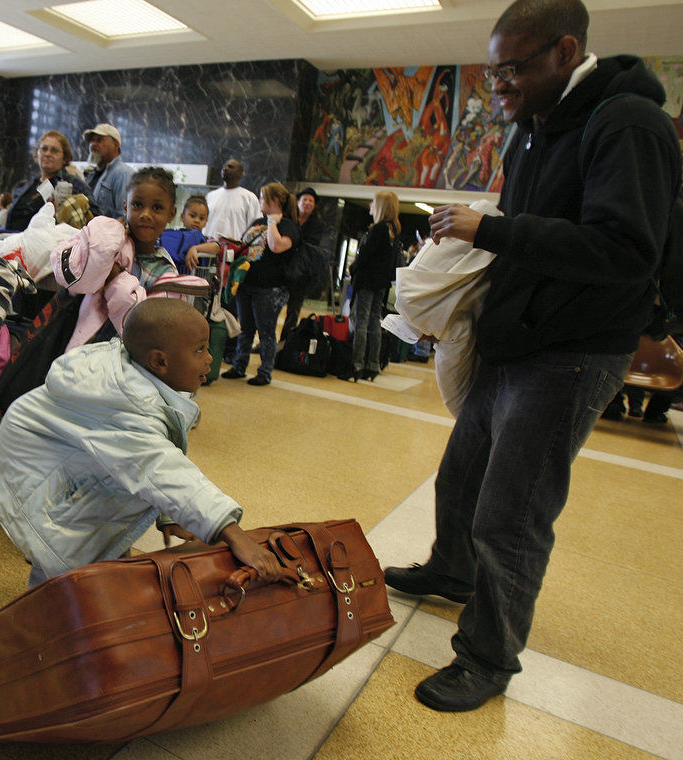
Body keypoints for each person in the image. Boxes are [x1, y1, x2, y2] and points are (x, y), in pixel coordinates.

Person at [384, 0, 681, 712]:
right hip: (516, 341)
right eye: (494, 73)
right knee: (461, 479)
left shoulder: (626, 123)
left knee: (512, 513)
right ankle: (453, 572)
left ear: (563, 50)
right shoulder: (534, 128)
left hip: (574, 352)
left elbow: (624, 250)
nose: (500, 88)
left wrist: (491, 231)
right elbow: (527, 233)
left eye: (511, 69)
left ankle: (488, 656)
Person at [0, 297, 282, 587]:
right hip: (37, 472)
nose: (210, 358)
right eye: (200, 350)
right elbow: (162, 468)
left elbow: (159, 453)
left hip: (60, 463)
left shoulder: (140, 376)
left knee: (99, 546)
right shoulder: (125, 407)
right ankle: (40, 621)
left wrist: (167, 515)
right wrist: (234, 535)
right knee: (65, 559)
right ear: (159, 361)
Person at [54, 166, 180, 351]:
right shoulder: (110, 245)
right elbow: (74, 282)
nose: (146, 214)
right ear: (125, 206)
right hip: (84, 349)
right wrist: (105, 240)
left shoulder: (165, 271)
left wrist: (114, 276)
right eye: (137, 205)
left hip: (129, 359)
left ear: (171, 214)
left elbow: (144, 324)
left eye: (157, 208)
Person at [221, 183, 300, 386]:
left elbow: (276, 246)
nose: (260, 201)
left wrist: (273, 222)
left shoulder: (289, 225)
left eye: (264, 197)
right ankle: (239, 366)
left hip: (270, 289)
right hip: (246, 283)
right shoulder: (257, 221)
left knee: (266, 332)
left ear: (275, 200)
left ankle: (265, 372)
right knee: (245, 329)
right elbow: (244, 244)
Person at [346, 190, 400, 382]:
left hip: (367, 281)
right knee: (375, 322)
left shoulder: (378, 230)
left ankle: (357, 364)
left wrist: (353, 268)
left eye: (373, 203)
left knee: (361, 322)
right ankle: (373, 364)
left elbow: (365, 256)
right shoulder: (393, 230)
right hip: (381, 284)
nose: (370, 205)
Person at [6, 130, 97, 232]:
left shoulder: (75, 184)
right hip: (13, 241)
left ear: (64, 158)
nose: (48, 154)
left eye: (54, 151)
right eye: (44, 149)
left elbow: (97, 221)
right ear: (37, 153)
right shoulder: (28, 185)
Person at [281, 187, 326, 340]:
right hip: (282, 268)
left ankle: (284, 343)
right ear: (298, 202)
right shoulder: (287, 219)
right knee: (272, 307)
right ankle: (265, 343)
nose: (307, 203)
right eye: (304, 200)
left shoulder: (316, 224)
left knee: (293, 310)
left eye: (311, 201)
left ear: (314, 206)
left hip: (301, 272)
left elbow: (311, 245)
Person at [83, 122, 135, 220]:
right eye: (92, 140)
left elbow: (124, 218)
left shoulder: (122, 173)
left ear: (116, 144)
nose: (93, 144)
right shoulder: (92, 174)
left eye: (99, 140)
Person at [202, 159, 261, 242]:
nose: (225, 168)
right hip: (206, 246)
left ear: (240, 174)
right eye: (224, 166)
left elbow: (256, 228)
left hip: (234, 250)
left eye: (230, 167)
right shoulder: (211, 195)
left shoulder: (249, 198)